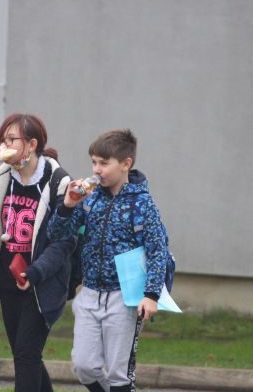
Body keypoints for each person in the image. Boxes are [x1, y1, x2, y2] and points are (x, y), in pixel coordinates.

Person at [47, 129, 169, 392]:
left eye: (104, 163)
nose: (96, 169)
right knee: (84, 366)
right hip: (90, 293)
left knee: (118, 374)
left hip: (124, 297)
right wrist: (67, 205)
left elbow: (157, 250)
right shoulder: (89, 199)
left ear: (126, 163)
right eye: (94, 162)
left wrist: (151, 295)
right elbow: (56, 234)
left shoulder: (143, 204)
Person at [0, 113, 76, 392]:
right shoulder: (1, 175)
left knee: (26, 354)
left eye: (11, 139)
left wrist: (35, 273)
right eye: (2, 140)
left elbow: (64, 242)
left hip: (42, 282)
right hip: (8, 279)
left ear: (32, 144)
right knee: (26, 355)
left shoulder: (58, 182)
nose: (4, 145)